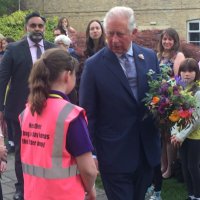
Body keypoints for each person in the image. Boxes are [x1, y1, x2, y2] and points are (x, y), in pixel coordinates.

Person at [79, 6, 161, 200]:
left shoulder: (149, 58)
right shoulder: (94, 66)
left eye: (120, 34)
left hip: (146, 151)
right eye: (110, 34)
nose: (114, 40)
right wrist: (91, 153)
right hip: (114, 155)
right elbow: (88, 114)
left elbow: (158, 98)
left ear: (134, 33)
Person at [19, 48, 97, 200]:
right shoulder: (71, 116)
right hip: (64, 194)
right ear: (67, 75)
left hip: (33, 194)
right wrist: (90, 188)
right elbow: (89, 170)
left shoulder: (27, 112)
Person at [0, 11, 55, 200]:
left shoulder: (52, 49)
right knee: (23, 152)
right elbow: (2, 80)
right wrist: (0, 108)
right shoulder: (14, 49)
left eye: (40, 26)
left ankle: (44, 184)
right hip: (19, 110)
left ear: (44, 28)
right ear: (26, 28)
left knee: (45, 149)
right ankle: (21, 187)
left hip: (48, 110)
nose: (37, 29)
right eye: (33, 25)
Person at [157, 28, 185, 179]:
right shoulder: (159, 56)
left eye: (170, 39)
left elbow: (177, 80)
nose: (167, 42)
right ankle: (163, 164)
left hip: (172, 99)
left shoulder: (178, 56)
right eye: (164, 39)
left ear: (175, 41)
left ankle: (170, 167)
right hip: (159, 99)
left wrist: (165, 86)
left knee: (169, 135)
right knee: (162, 135)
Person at [171, 58, 200, 200]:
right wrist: (175, 133)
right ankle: (191, 194)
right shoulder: (180, 90)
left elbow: (196, 119)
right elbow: (175, 114)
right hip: (182, 136)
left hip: (195, 136)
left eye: (191, 71)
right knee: (184, 165)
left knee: (193, 166)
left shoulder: (198, 92)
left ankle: (198, 195)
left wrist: (181, 136)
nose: (187, 74)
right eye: (184, 71)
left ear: (196, 73)